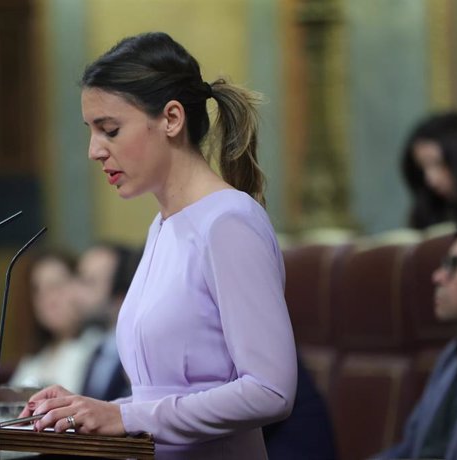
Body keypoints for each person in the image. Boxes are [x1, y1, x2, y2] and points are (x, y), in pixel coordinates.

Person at [19, 31, 297, 459]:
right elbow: (165, 397)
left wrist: (125, 418)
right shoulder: (163, 226)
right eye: (92, 131)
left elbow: (270, 390)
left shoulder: (228, 222)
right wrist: (91, 410)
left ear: (171, 119)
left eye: (109, 130)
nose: (94, 150)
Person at [375, 216, 457, 459]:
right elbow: (412, 449)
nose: (438, 277)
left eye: (456, 264)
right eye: (444, 263)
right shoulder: (453, 356)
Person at [9, 250, 103, 393]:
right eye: (37, 290)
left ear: (80, 286)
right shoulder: (33, 359)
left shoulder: (99, 348)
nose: (48, 299)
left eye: (56, 285)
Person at [78, 243, 139, 402]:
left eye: (89, 282)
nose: (77, 292)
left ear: (121, 289)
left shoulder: (138, 350)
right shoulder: (99, 347)